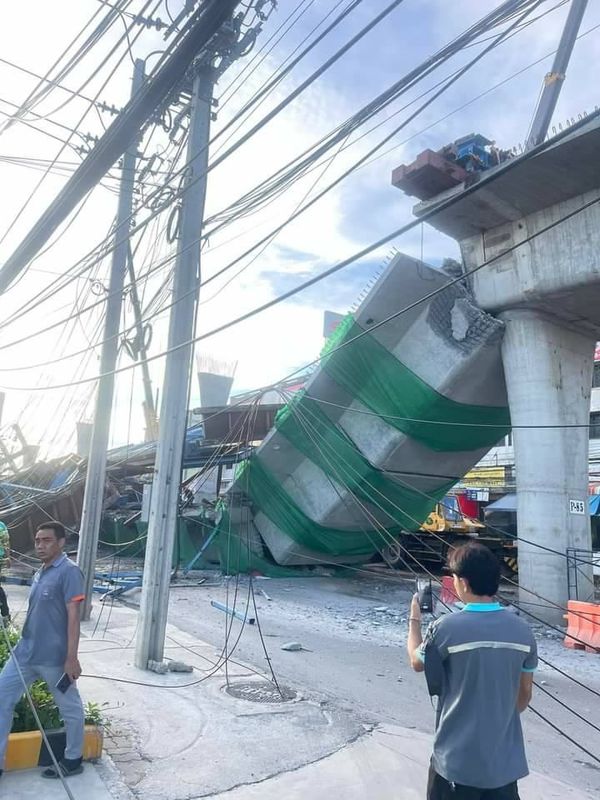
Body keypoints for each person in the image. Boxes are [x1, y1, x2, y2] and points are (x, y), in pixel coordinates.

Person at [407, 542, 537, 800]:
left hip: (456, 764)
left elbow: (416, 661)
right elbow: (524, 694)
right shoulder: (524, 631)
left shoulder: (445, 628)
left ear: (463, 583)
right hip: (504, 767)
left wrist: (414, 620)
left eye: (454, 578)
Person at [0, 522, 86, 780]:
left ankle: (73, 759)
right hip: (24, 654)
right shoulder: (41, 571)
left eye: (47, 540)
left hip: (54, 659)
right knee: (1, 698)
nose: (40, 545)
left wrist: (71, 658)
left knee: (69, 707)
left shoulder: (69, 572)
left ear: (61, 543)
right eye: (37, 540)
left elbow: (73, 617)